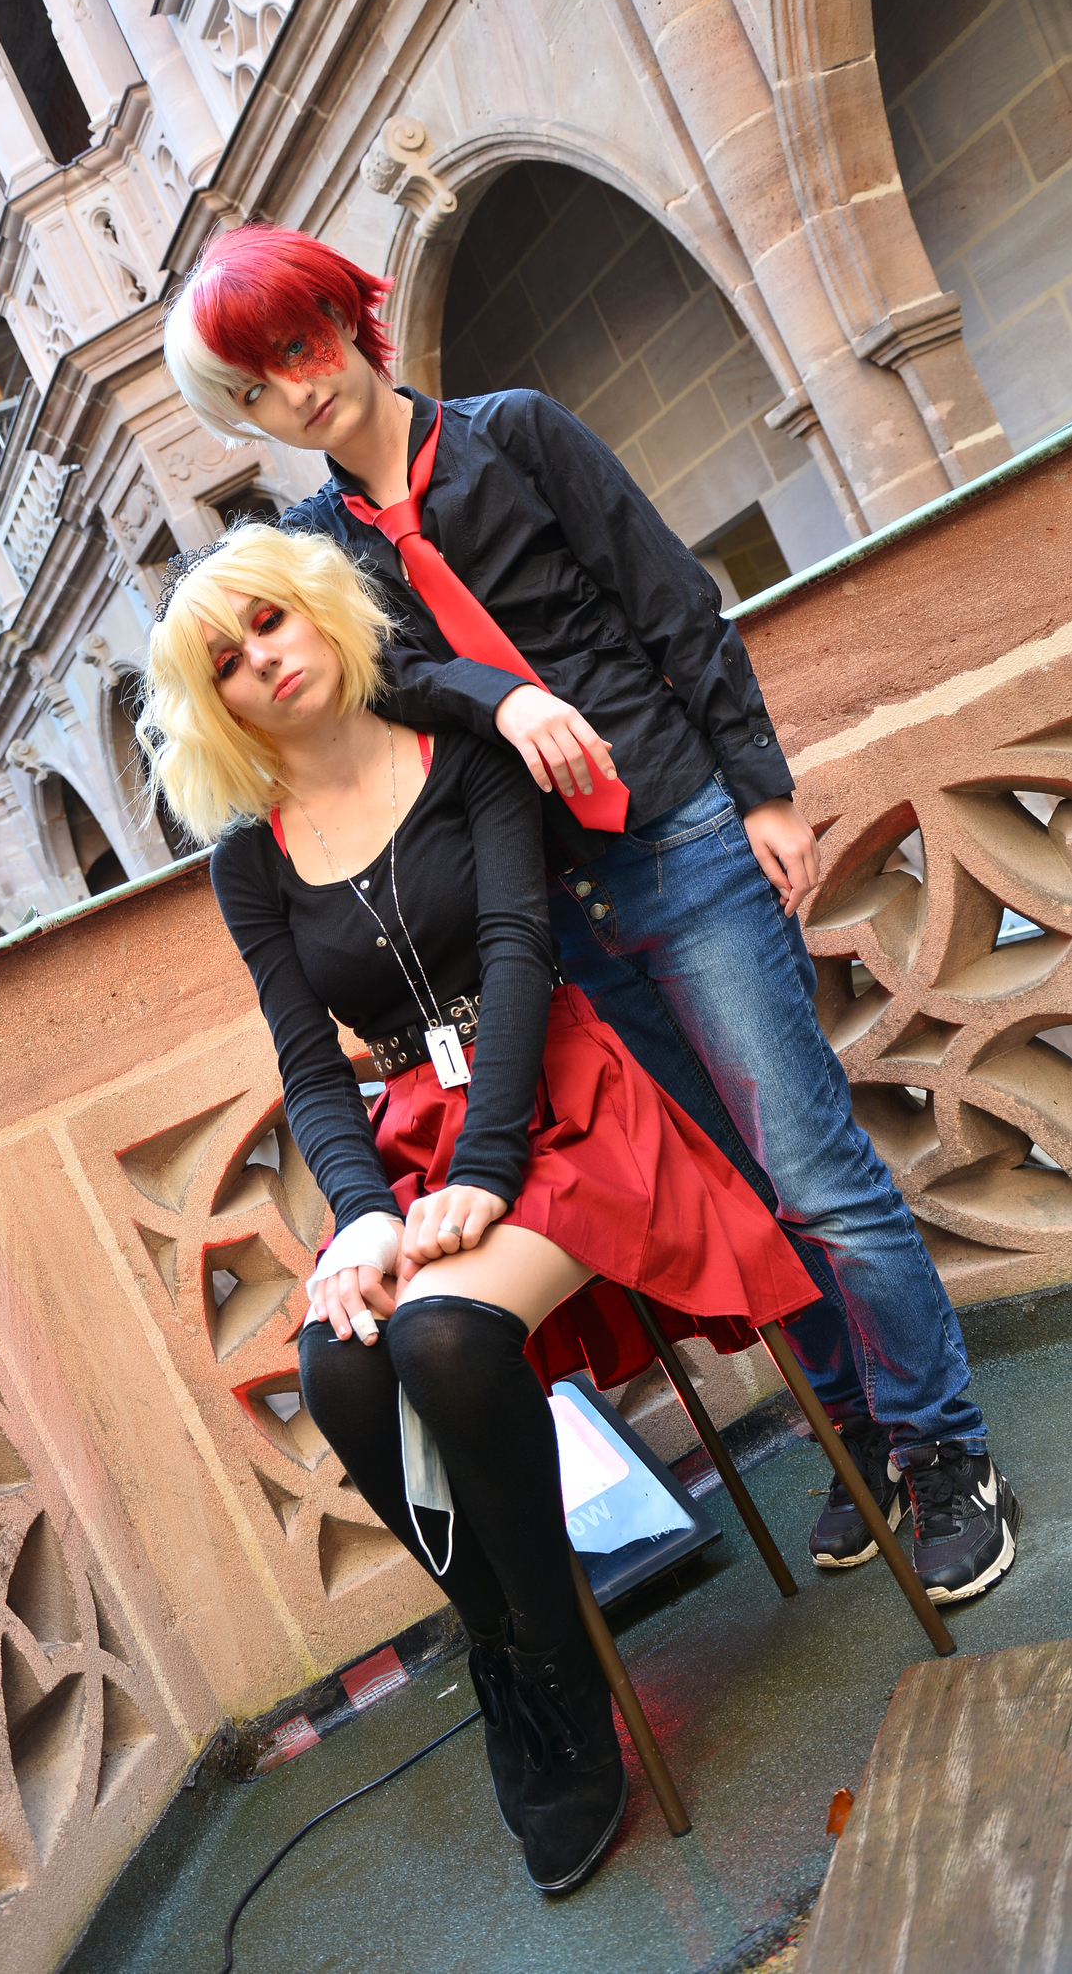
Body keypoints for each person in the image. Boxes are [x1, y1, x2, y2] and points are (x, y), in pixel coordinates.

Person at [160, 225, 1022, 1607]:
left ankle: (943, 1449)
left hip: (676, 834)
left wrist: (760, 789)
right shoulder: (315, 550)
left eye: (298, 348)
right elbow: (380, 687)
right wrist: (498, 695)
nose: (295, 392)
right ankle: (854, 1419)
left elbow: (670, 601)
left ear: (347, 324)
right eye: (254, 390)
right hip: (537, 904)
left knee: (811, 1169)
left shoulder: (516, 433)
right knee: (731, 1181)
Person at [138, 522, 817, 1894]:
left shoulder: (461, 758)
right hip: (407, 1139)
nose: (263, 660)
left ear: (321, 611)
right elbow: (307, 1064)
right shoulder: (247, 863)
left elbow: (516, 954)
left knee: (441, 1336)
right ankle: (505, 1644)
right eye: (226, 661)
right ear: (215, 706)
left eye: (269, 621)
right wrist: (361, 1215)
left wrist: (485, 1174)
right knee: (340, 1361)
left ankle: (560, 1658)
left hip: (558, 1095)